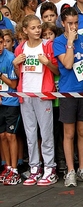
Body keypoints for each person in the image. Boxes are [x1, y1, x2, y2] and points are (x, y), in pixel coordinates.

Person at [13, 15, 59, 186]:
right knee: (30, 134)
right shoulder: (20, 48)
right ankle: (34, 168)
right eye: (33, 28)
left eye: (39, 27)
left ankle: (49, 168)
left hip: (43, 94)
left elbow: (56, 70)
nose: (38, 30)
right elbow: (20, 75)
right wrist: (15, 65)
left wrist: (47, 62)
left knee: (46, 133)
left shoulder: (48, 46)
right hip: (25, 95)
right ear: (25, 30)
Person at [53, 7, 83, 187]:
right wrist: (70, 42)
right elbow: (69, 64)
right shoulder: (58, 42)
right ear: (63, 23)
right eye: (69, 23)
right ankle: (70, 170)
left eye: (76, 23)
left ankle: (82, 167)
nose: (73, 27)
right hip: (68, 91)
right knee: (69, 133)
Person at [0, 31, 20, 185]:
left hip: (11, 102)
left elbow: (13, 84)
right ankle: (6, 166)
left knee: (10, 135)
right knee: (2, 136)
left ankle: (14, 168)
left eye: (2, 43)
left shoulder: (10, 58)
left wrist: (0, 74)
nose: (0, 46)